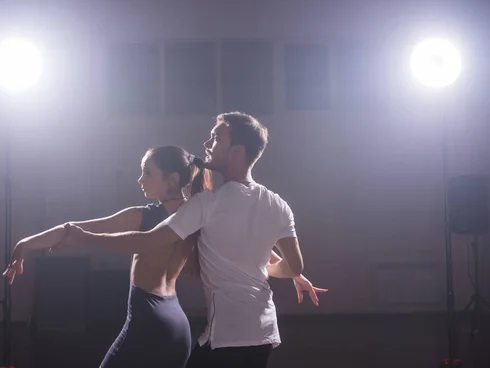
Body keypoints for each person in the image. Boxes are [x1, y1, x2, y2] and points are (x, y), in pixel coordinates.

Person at [55, 112, 328, 368]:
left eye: (216, 138)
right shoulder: (278, 204)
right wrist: (279, 272)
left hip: (227, 337)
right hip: (265, 334)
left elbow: (148, 241)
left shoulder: (207, 204)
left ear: (237, 152)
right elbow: (293, 266)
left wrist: (87, 237)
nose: (207, 143)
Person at [3, 145, 213, 368]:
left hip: (148, 322)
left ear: (172, 179)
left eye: (147, 172)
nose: (140, 180)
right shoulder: (194, 217)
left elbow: (72, 229)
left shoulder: (143, 217)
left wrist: (24, 245)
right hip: (178, 327)